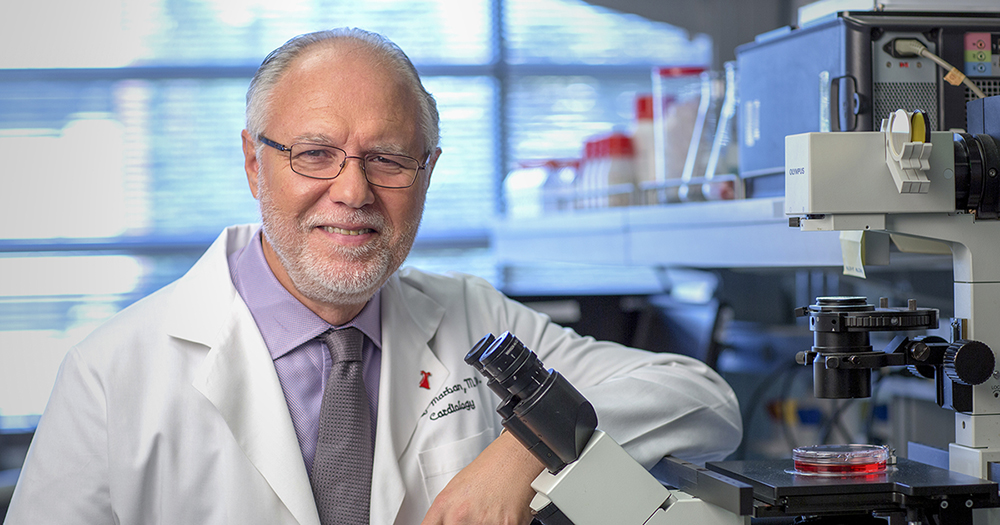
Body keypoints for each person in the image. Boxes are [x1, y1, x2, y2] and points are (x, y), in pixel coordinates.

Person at [4, 28, 742, 525]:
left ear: (427, 173)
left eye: (387, 158)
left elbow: (700, 398)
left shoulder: (469, 317)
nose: (353, 192)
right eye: (315, 153)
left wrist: (527, 446)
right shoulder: (113, 373)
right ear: (252, 162)